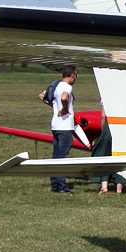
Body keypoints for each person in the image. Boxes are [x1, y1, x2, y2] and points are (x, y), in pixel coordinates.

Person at [49, 65, 78, 194]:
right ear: (72, 75)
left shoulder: (57, 86)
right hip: (65, 126)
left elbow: (42, 96)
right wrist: (65, 108)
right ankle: (61, 186)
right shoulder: (67, 87)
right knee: (62, 157)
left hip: (55, 124)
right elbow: (64, 97)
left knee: (56, 155)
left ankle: (55, 183)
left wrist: (56, 108)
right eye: (76, 75)